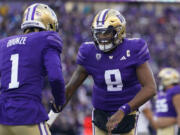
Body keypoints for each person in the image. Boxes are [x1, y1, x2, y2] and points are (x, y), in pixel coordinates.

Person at [48, 8, 157, 135]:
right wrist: (49, 120)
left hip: (128, 114)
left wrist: (123, 110)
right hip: (101, 113)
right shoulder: (89, 52)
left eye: (107, 33)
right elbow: (71, 88)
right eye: (98, 33)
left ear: (119, 32)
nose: (102, 37)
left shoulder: (133, 49)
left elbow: (150, 88)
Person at [0, 3, 65, 135]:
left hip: (2, 117)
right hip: (28, 115)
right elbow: (56, 78)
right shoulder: (47, 39)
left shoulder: (3, 44)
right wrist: (59, 101)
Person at [153, 68, 180, 135]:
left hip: (173, 129)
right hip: (162, 130)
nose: (160, 81)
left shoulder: (176, 91)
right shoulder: (163, 92)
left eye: (162, 79)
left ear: (168, 79)